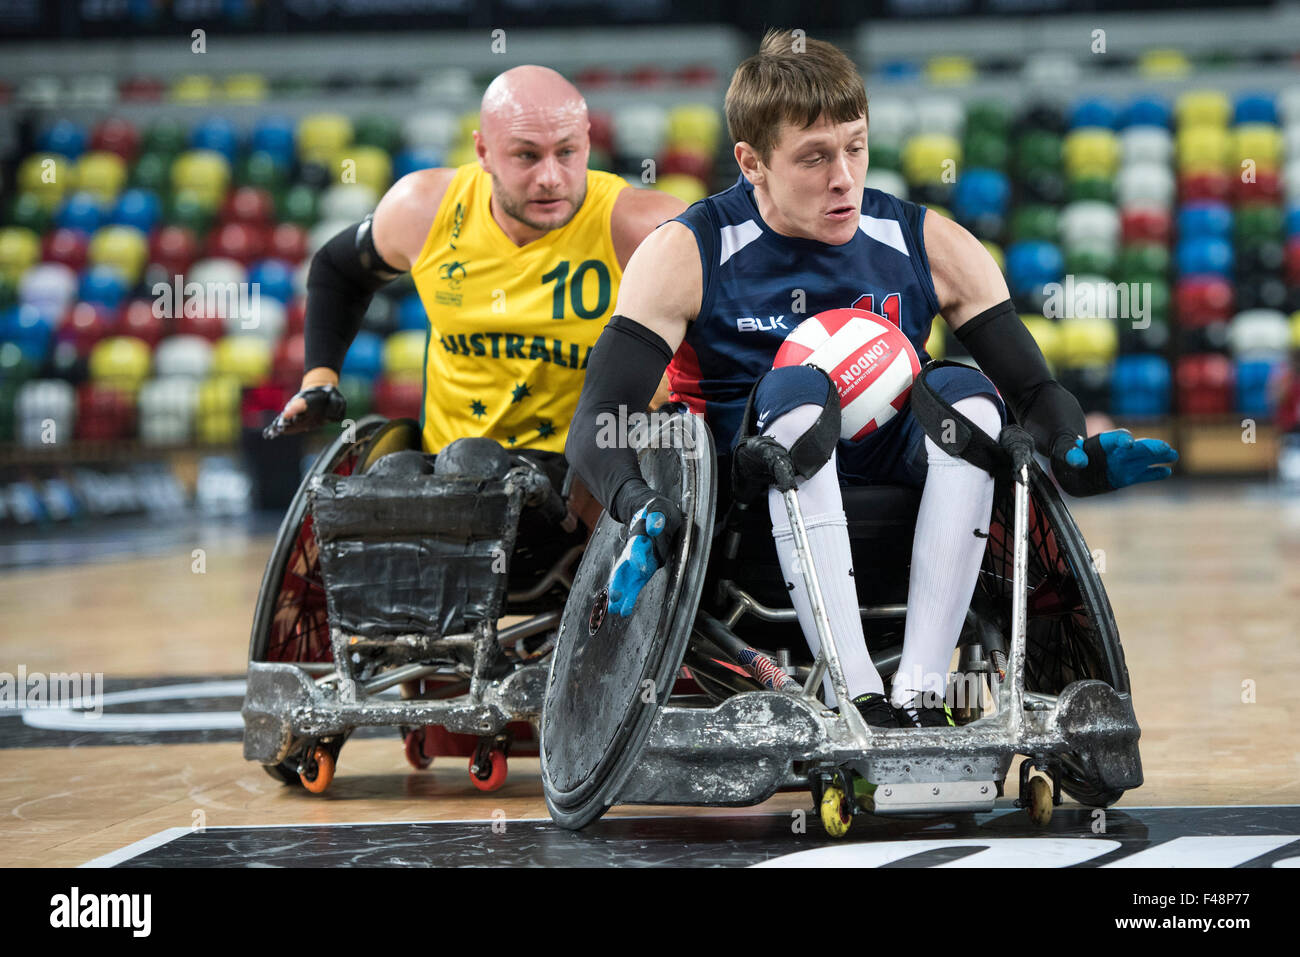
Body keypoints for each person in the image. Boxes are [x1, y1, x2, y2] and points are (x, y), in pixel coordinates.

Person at [566, 30, 1178, 730]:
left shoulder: (925, 240)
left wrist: (1072, 450)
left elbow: (1036, 391)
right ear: (752, 162)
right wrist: (637, 501)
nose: (844, 177)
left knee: (969, 397)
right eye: (815, 157)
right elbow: (599, 418)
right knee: (796, 393)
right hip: (750, 483)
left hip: (896, 473)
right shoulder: (687, 251)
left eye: (855, 146)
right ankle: (855, 691)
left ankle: (918, 690)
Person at [265, 64, 685, 511]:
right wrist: (319, 378)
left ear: (587, 141)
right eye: (527, 156)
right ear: (483, 151)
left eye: (566, 153)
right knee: (397, 478)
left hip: (584, 490)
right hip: (449, 481)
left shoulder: (643, 227)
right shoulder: (424, 209)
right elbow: (336, 268)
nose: (550, 177)